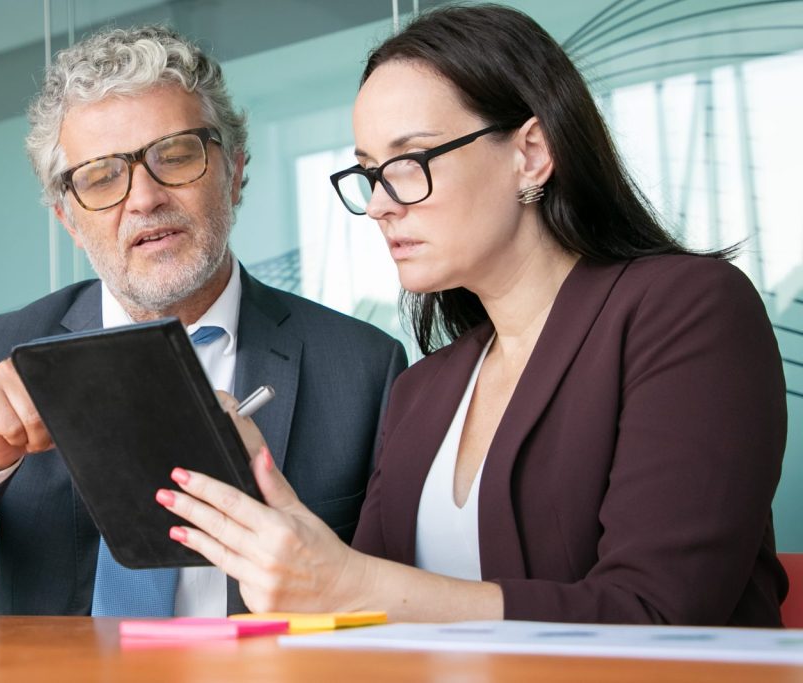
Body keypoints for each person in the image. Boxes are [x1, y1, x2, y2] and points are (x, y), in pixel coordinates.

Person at [159, 4, 789, 626]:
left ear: (532, 152)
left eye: (410, 162)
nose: (380, 204)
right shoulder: (423, 388)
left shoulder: (687, 310)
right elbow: (369, 613)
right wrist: (286, 529)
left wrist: (353, 584)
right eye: (370, 173)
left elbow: (660, 613)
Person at [0, 25, 407, 616]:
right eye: (102, 176)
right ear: (67, 218)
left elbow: (396, 602)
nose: (143, 197)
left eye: (176, 156)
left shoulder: (362, 367)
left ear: (234, 173)